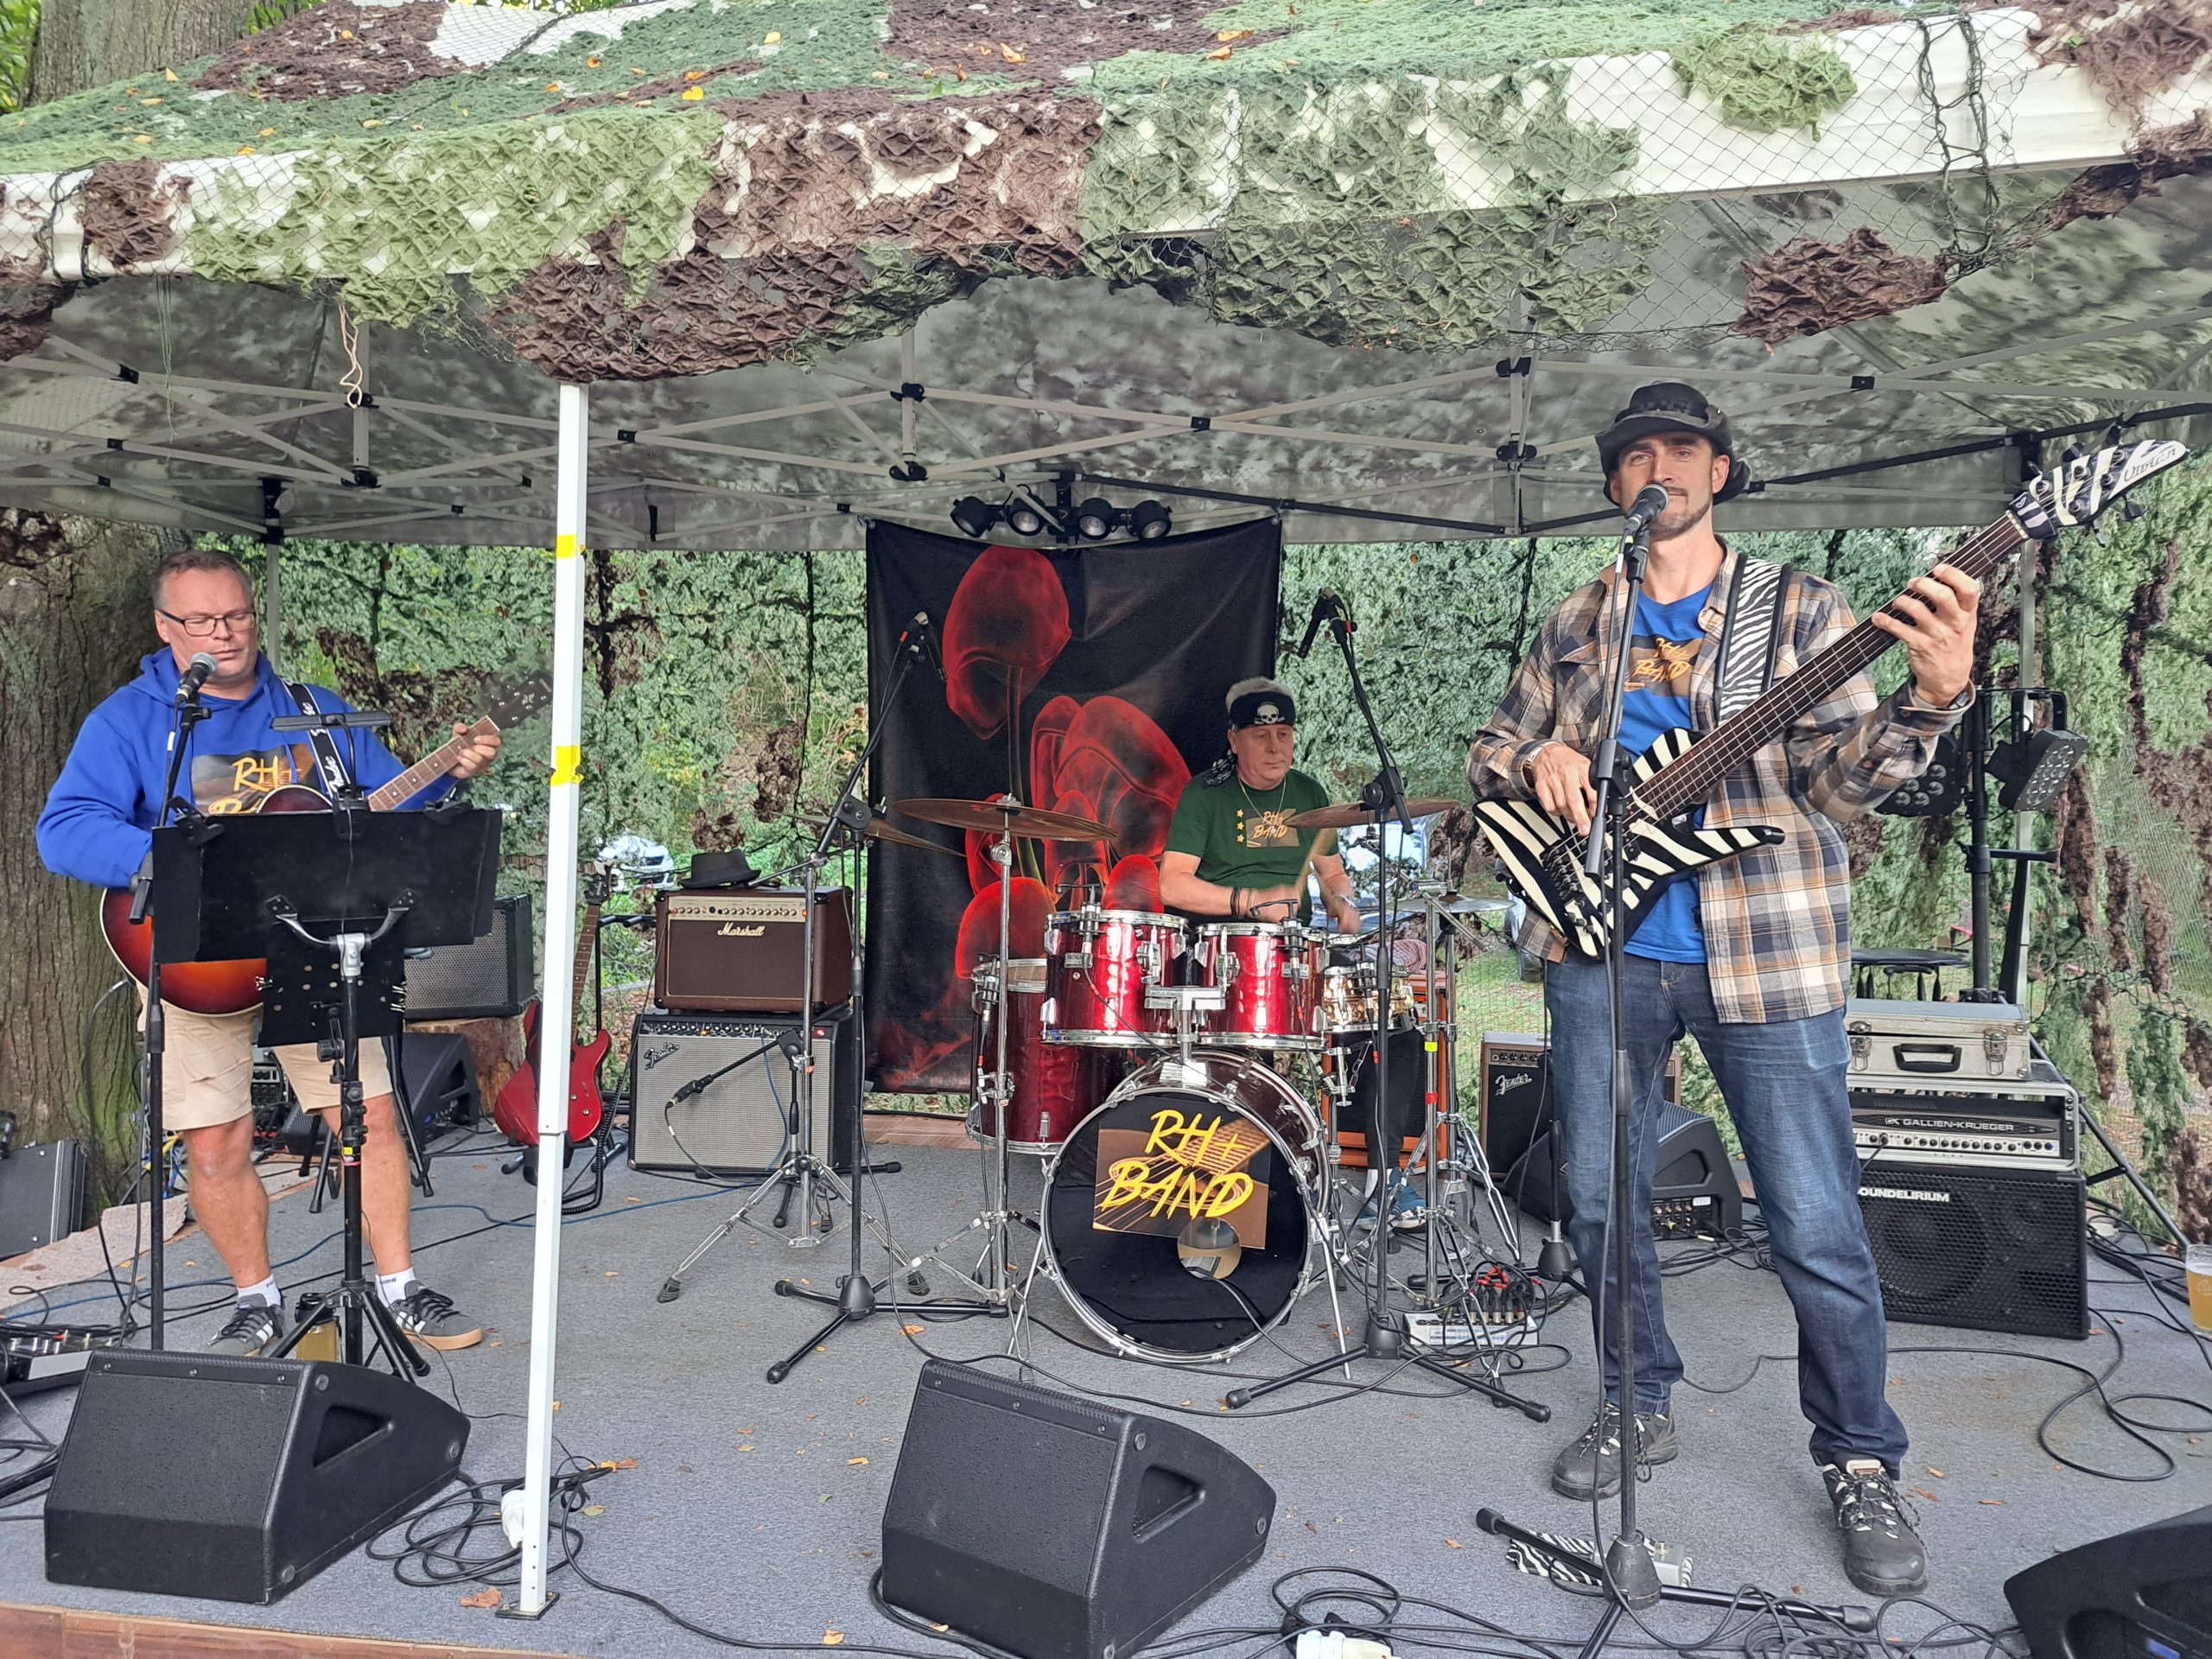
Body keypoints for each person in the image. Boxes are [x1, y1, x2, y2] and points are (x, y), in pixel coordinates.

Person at [1466, 383, 1979, 1598]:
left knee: (1812, 1219)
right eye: (1637, 453)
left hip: (1768, 946)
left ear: (1721, 472)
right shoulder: (1578, 617)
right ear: (1615, 485)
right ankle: (1635, 1398)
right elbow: (1488, 754)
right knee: (1599, 1199)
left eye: (1684, 450)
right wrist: (1536, 754)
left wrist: (1932, 699)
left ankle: (1859, 1455)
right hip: (1602, 945)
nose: (1662, 468)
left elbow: (1849, 788)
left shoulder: (1801, 609)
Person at [37, 547, 502, 1357]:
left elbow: (388, 808)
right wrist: (177, 866)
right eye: (202, 620)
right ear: (165, 627)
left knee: (369, 1115)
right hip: (194, 963)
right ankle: (255, 1298)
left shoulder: (313, 712)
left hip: (314, 949)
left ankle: (399, 1287)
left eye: (237, 615)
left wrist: (449, 773)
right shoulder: (130, 719)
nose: (224, 633)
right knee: (215, 1138)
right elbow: (65, 829)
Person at [1160, 678, 1360, 935]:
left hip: (1294, 939)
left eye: (1283, 734)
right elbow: (1171, 886)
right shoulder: (1204, 794)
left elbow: (1332, 876)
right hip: (1221, 939)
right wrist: (1252, 902)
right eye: (1261, 735)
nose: (1274, 748)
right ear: (1234, 741)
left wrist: (1343, 902)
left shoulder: (1310, 793)